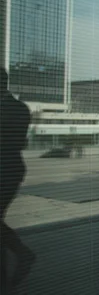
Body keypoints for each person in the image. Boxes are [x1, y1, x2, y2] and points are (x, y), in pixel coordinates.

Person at [0, 67, 36, 292]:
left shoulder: (12, 108)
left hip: (6, 171)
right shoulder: (20, 107)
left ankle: (23, 254)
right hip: (11, 170)